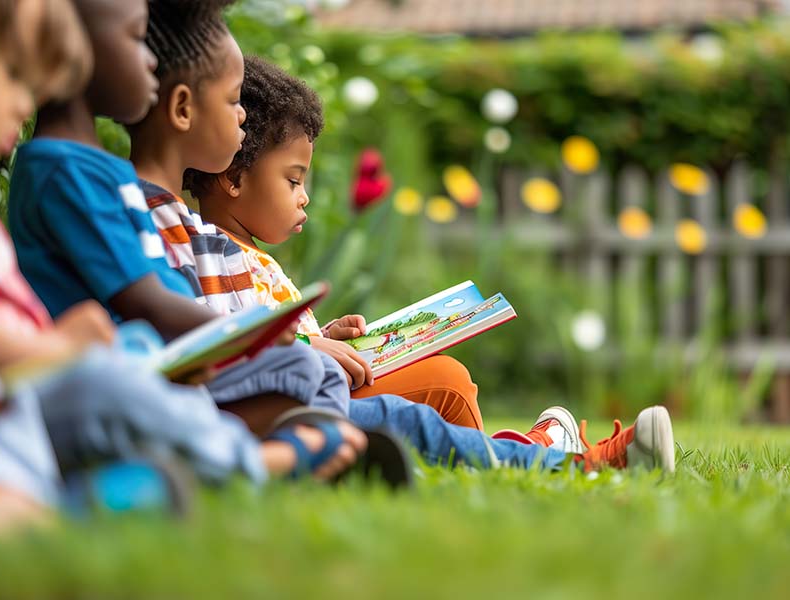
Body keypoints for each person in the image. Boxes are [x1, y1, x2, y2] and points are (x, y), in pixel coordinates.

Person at [126, 2, 675, 474]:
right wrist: (306, 344)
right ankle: (547, 457)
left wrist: (324, 332)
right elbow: (222, 335)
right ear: (234, 178)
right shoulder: (194, 240)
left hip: (302, 390)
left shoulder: (224, 247)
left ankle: (523, 454)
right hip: (282, 404)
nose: (304, 196)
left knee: (447, 379)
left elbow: (250, 329)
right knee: (444, 385)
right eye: (293, 180)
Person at [0, 0, 370, 506]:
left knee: (138, 362)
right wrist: (57, 347)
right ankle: (253, 462)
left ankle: (108, 494)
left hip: (29, 384)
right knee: (110, 379)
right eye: (13, 72)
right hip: (5, 387)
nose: (25, 98)